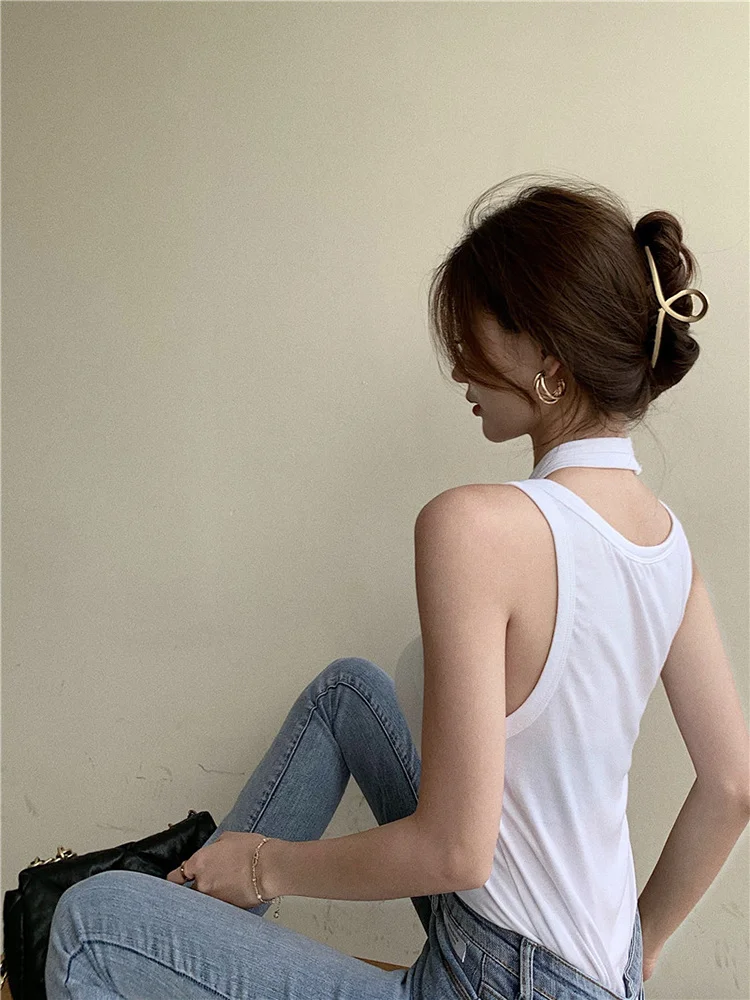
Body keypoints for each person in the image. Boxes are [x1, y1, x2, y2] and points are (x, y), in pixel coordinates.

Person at [45, 174, 749, 1000]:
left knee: (88, 924)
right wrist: (640, 955)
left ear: (546, 359)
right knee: (350, 694)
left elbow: (456, 851)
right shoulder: (668, 547)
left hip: (487, 982)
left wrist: (268, 866)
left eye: (474, 334)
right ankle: (203, 923)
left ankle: (202, 919)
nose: (459, 366)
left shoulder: (473, 527)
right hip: (590, 971)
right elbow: (732, 786)